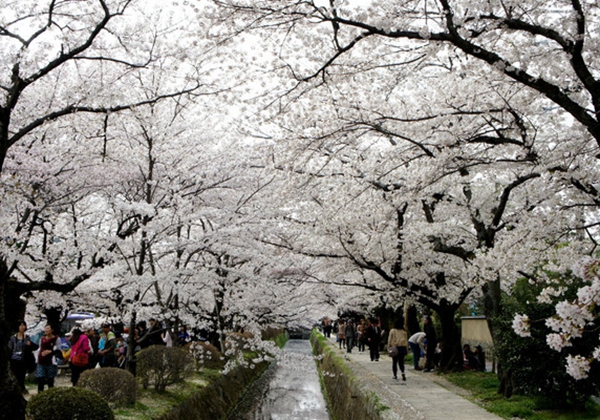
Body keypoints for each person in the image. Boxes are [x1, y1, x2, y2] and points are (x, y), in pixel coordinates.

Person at [8, 320, 38, 392]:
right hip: (14, 359)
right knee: (15, 375)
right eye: (21, 325)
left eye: (23, 325)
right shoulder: (12, 338)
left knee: (22, 375)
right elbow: (10, 348)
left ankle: (22, 388)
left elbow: (34, 347)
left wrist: (30, 344)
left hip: (24, 359)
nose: (22, 327)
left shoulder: (27, 337)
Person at [36, 324, 61, 392]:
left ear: (52, 330)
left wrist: (50, 352)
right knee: (40, 379)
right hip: (41, 361)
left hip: (51, 362)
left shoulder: (56, 339)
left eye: (48, 328)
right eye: (45, 328)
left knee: (50, 380)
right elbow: (40, 348)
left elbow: (58, 350)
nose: (46, 330)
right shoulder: (42, 338)